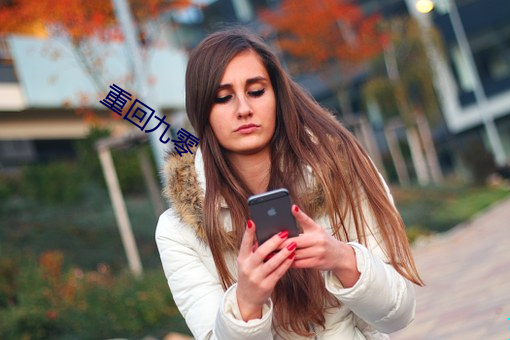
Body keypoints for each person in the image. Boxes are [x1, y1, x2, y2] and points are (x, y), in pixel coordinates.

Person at [155, 28, 423, 340]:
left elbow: (399, 314)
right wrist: (246, 303)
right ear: (202, 110)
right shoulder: (178, 232)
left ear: (277, 95)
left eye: (256, 91)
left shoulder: (340, 169)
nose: (243, 109)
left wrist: (343, 259)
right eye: (224, 97)